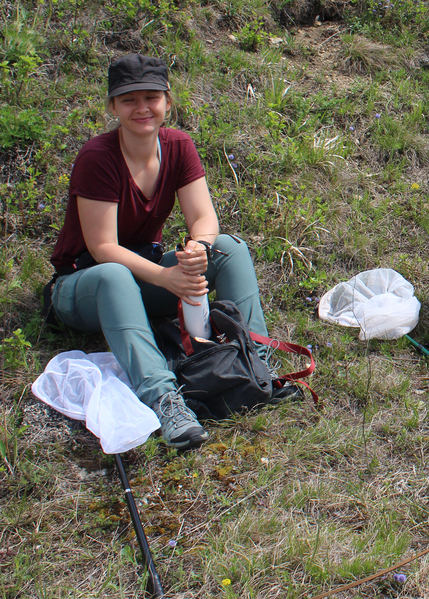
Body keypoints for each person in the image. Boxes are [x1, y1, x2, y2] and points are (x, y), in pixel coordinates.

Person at [47, 54, 271, 451]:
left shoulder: (178, 146)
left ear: (168, 102)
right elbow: (102, 248)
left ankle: (257, 363)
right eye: (128, 99)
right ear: (112, 106)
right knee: (115, 275)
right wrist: (167, 277)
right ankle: (165, 399)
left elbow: (204, 217)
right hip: (82, 285)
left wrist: (198, 250)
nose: (141, 108)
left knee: (229, 248)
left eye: (151, 97)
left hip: (141, 276)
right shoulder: (98, 157)